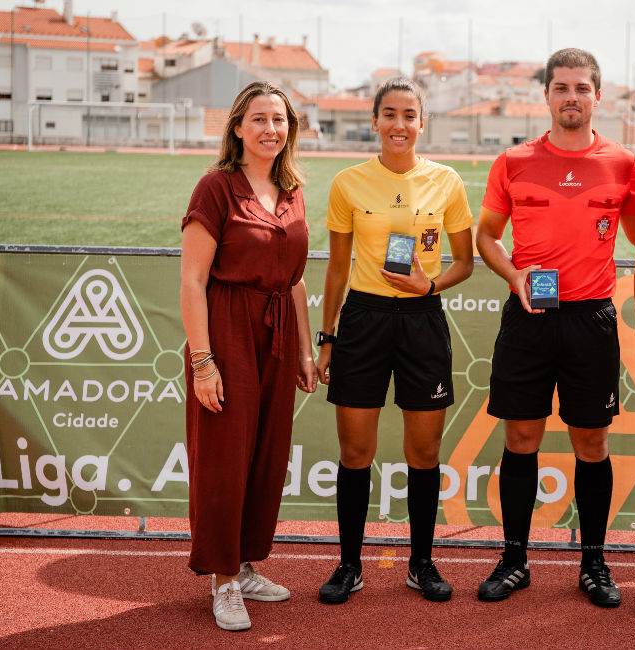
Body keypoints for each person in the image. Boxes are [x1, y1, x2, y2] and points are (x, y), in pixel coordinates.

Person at [474, 48, 635, 609]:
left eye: (582, 87)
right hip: (529, 317)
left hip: (591, 319)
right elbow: (486, 237)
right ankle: (515, 557)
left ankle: (593, 561)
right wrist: (514, 275)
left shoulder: (622, 164)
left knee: (590, 443)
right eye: (561, 87)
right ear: (545, 94)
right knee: (520, 439)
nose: (571, 96)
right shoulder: (513, 160)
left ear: (599, 95)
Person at [314, 77, 475, 605]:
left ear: (422, 122)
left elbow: (465, 262)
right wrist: (327, 338)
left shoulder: (447, 181)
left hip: (422, 319)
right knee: (355, 450)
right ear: (375, 121)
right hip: (364, 320)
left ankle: (421, 563)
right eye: (389, 114)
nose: (399, 124)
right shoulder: (347, 182)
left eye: (409, 115)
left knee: (424, 451)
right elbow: (337, 269)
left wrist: (430, 284)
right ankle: (349, 565)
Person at [180, 80, 317, 632]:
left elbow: (297, 281)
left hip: (280, 334)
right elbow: (192, 280)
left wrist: (305, 350)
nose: (270, 130)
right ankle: (223, 581)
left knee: (264, 455)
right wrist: (203, 360)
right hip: (228, 327)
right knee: (224, 457)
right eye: (259, 119)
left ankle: (245, 564)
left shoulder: (292, 189)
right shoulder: (215, 187)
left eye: (279, 120)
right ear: (237, 127)